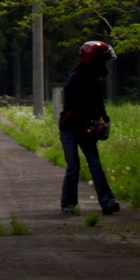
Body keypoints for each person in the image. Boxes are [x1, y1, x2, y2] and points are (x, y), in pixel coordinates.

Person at [59, 40, 119, 216]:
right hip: (70, 128)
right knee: (73, 166)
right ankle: (68, 204)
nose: (104, 66)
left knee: (95, 163)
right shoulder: (75, 79)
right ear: (93, 61)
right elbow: (73, 107)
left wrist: (104, 120)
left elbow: (98, 103)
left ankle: (107, 202)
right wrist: (92, 122)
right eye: (102, 61)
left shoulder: (93, 80)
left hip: (86, 128)